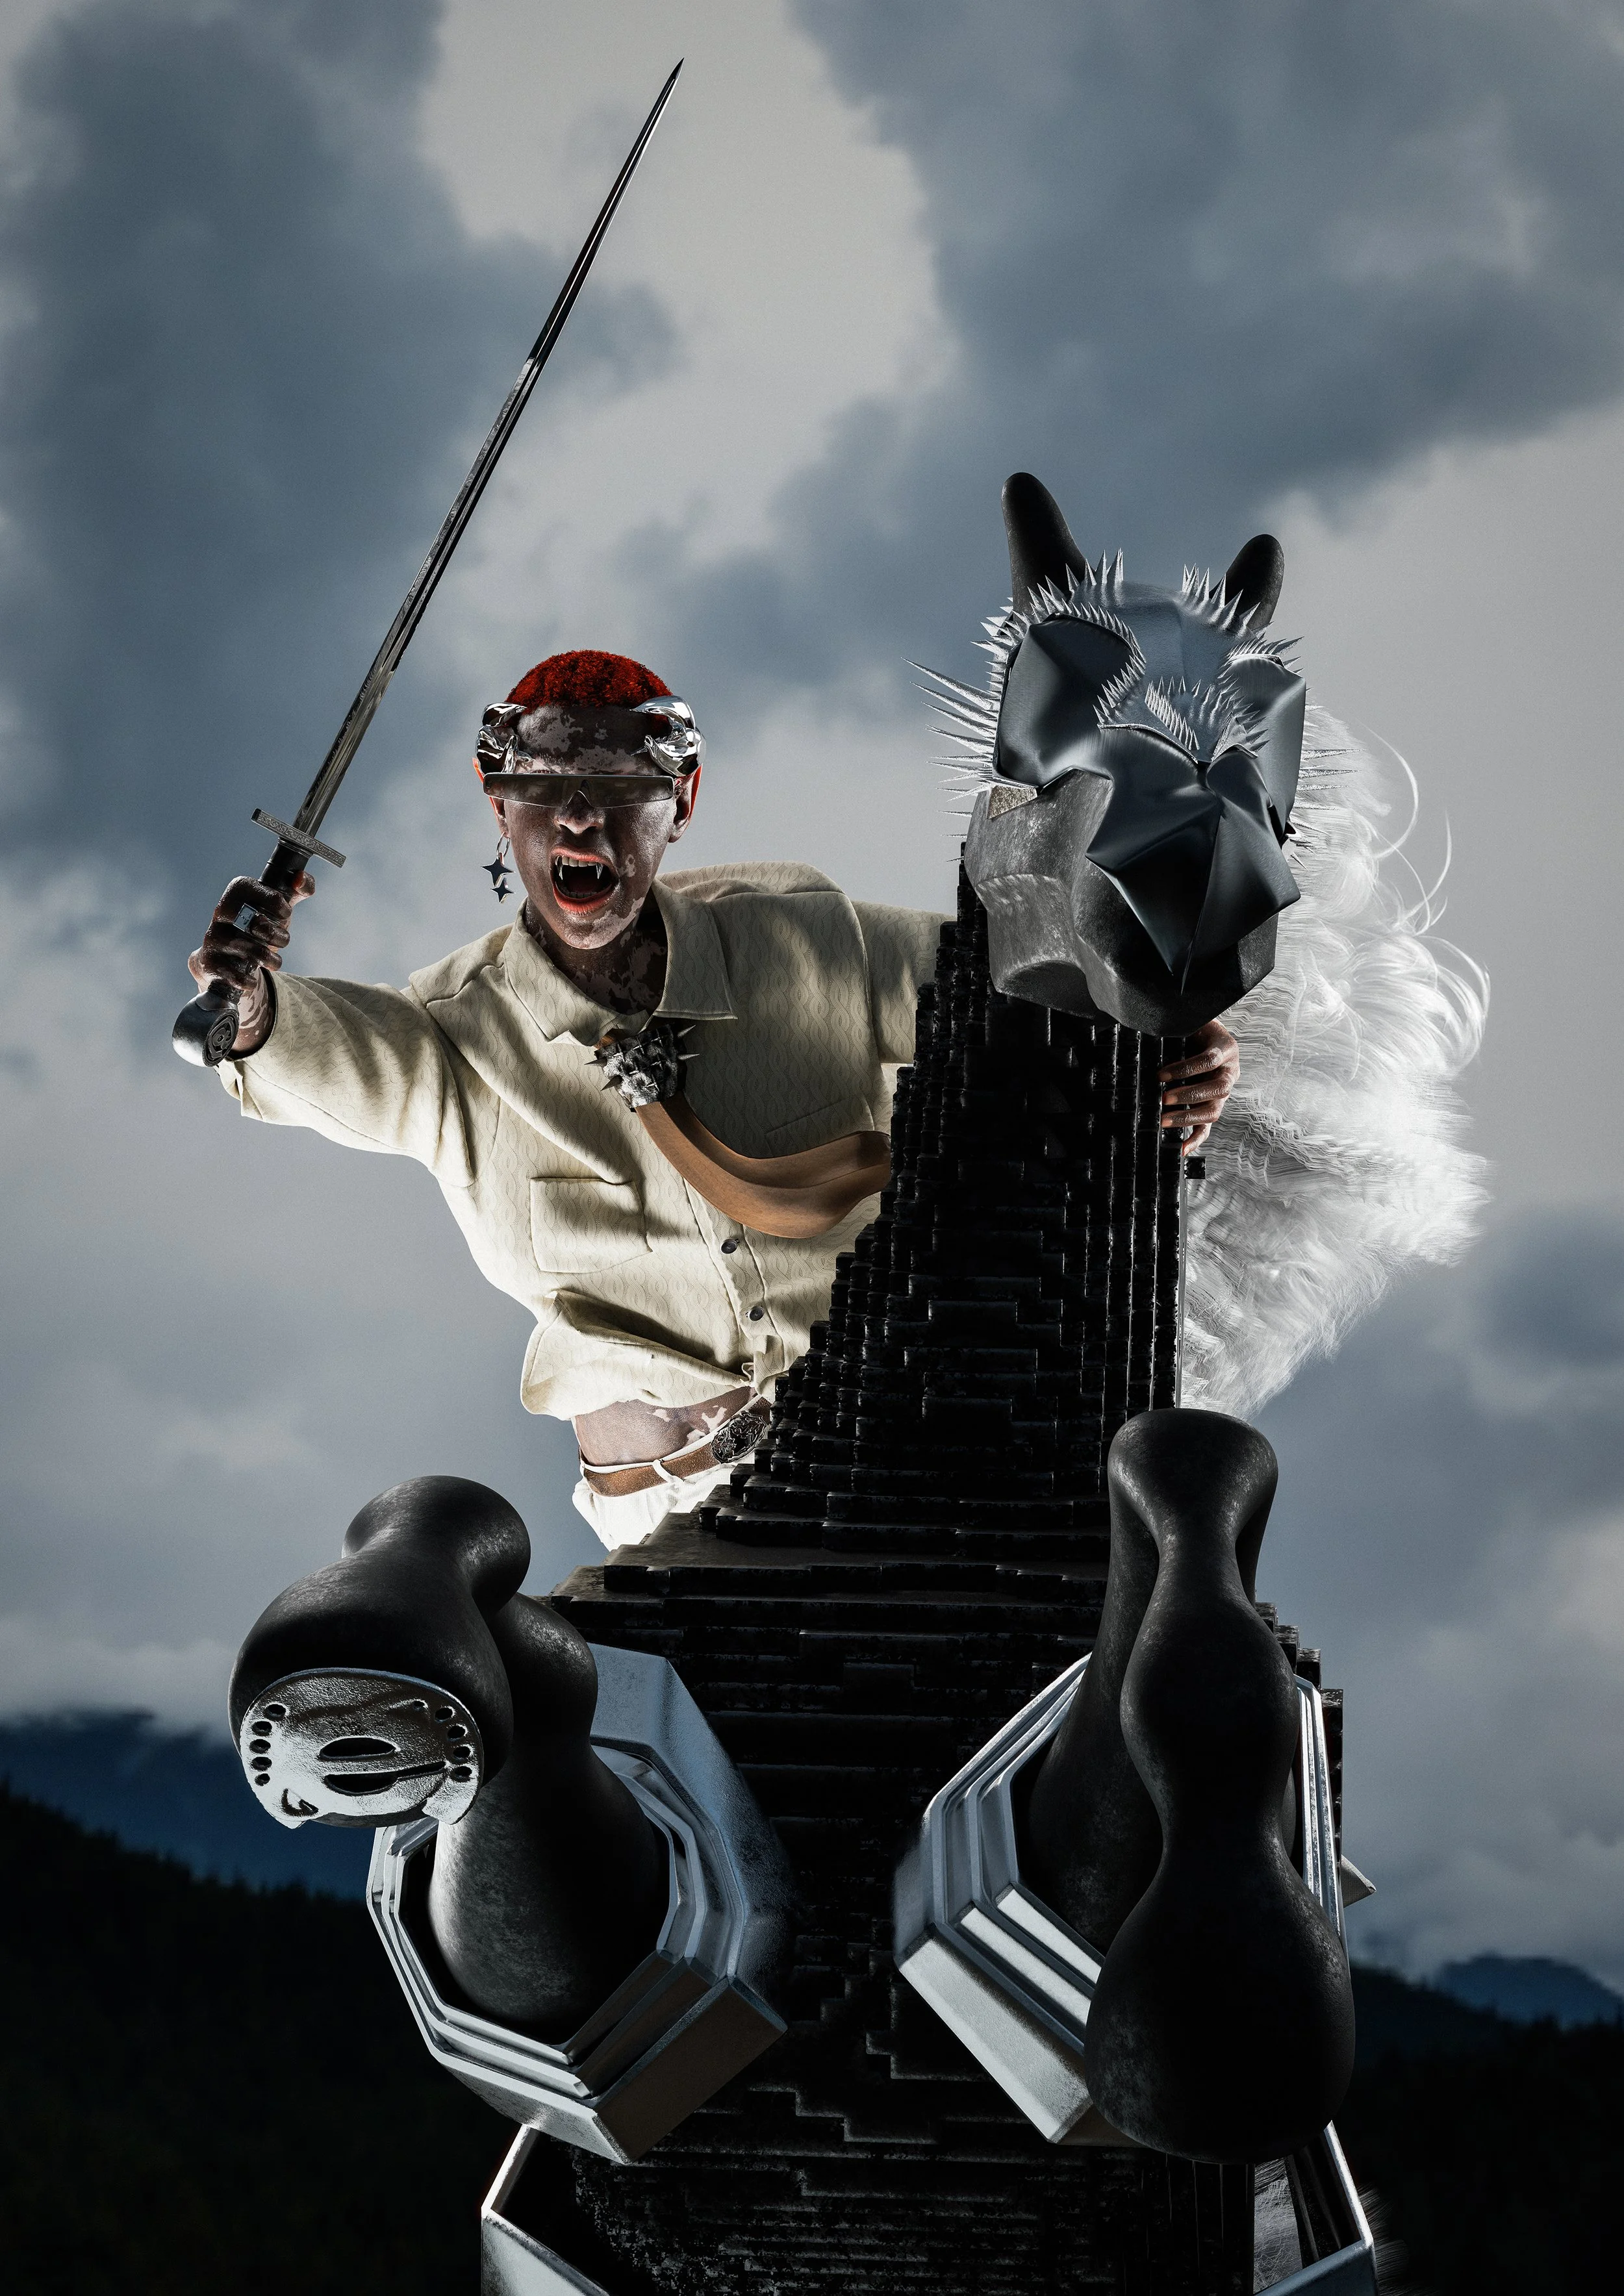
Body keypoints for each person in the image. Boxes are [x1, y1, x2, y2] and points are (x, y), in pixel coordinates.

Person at [190, 650, 1237, 1548]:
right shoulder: (450, 1037)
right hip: (665, 1514)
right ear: (497, 799)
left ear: (682, 803)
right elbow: (301, 1044)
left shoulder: (815, 940)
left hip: (906, 1451)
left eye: (626, 787)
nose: (583, 816)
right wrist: (243, 1002)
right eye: (546, 784)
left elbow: (1034, 1003)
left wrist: (1173, 1042)